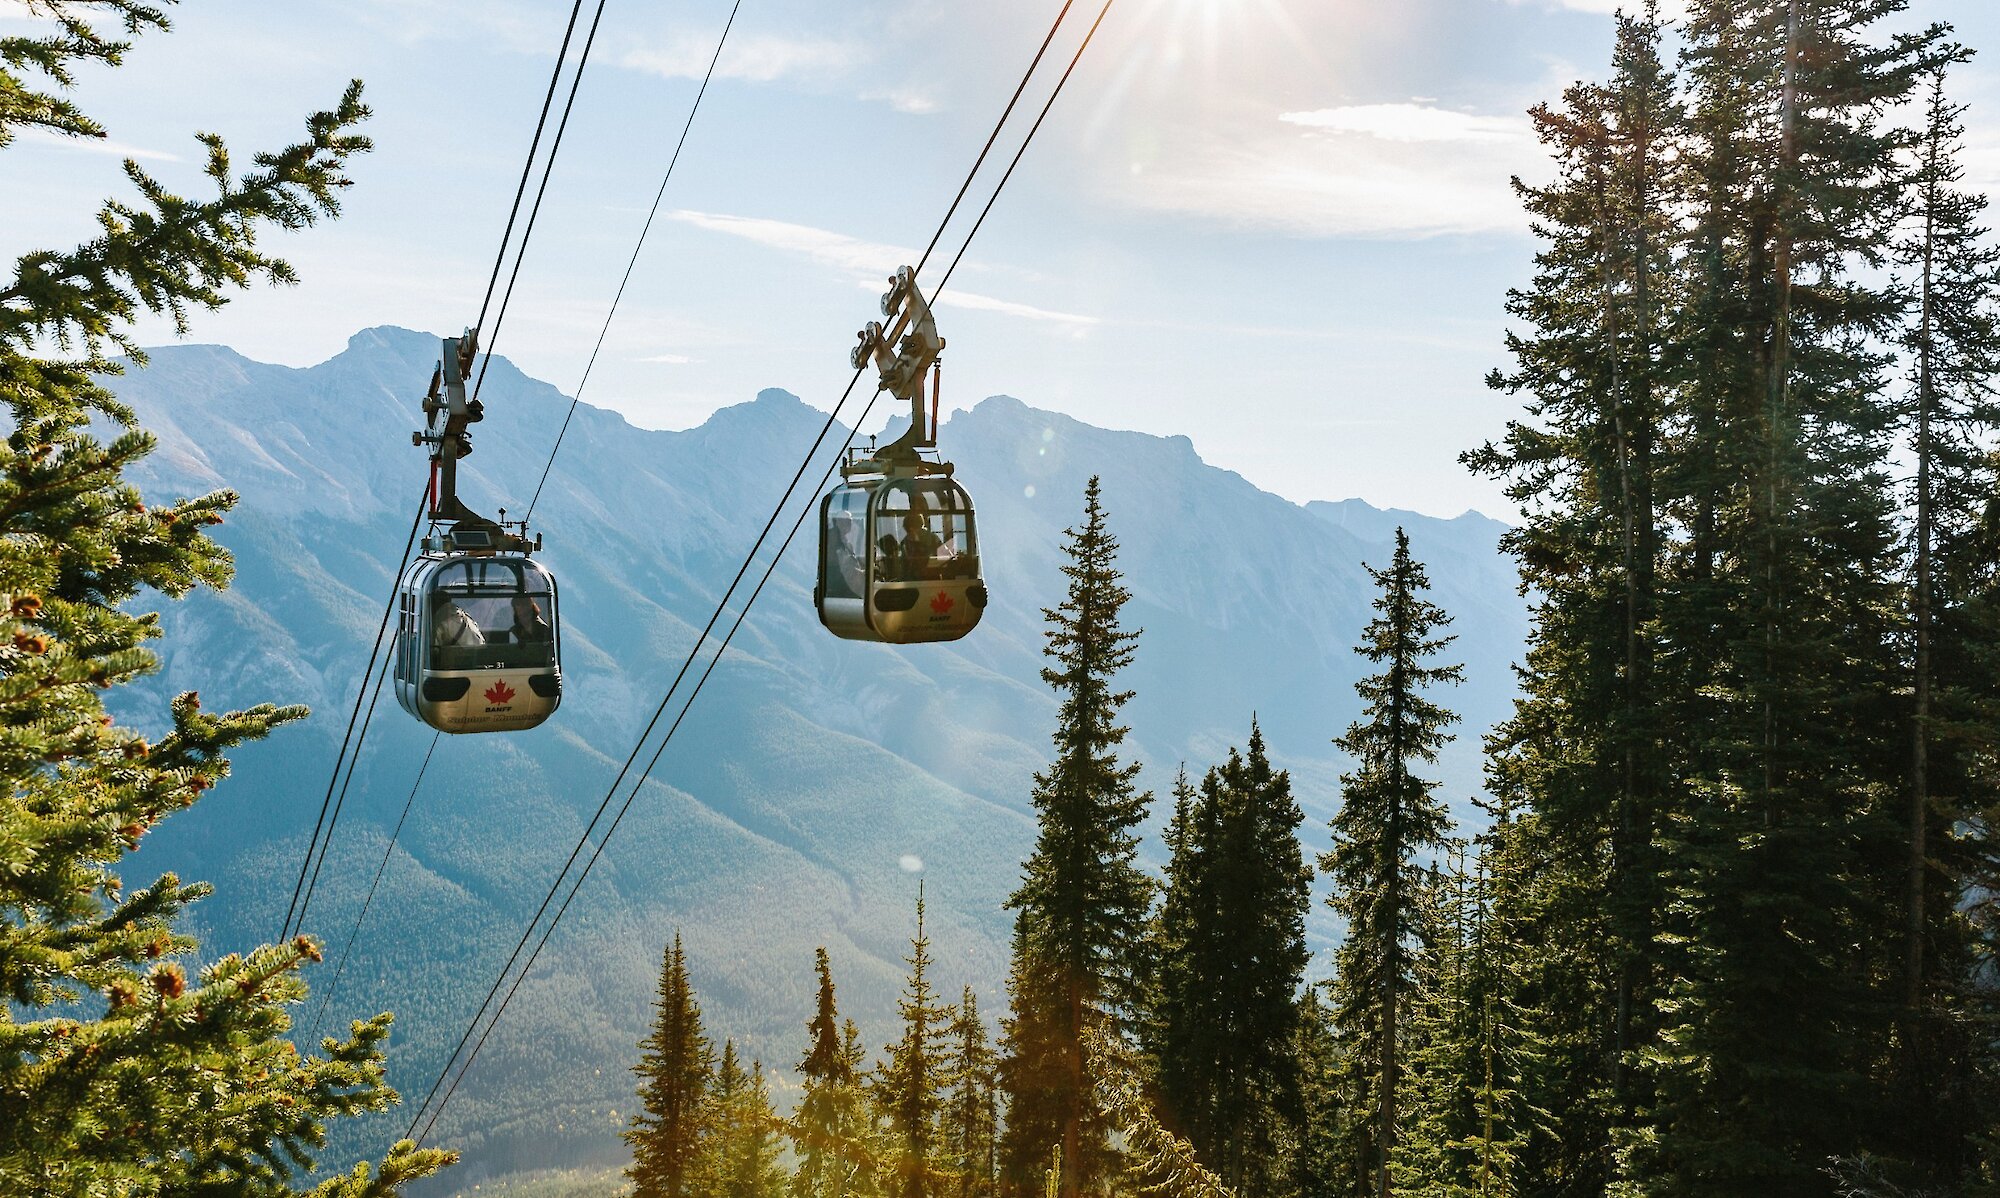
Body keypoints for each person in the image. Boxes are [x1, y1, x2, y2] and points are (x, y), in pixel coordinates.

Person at [900, 511, 942, 580]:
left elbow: (904, 565)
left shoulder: (906, 541)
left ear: (910, 528)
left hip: (916, 580)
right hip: (932, 578)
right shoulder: (934, 538)